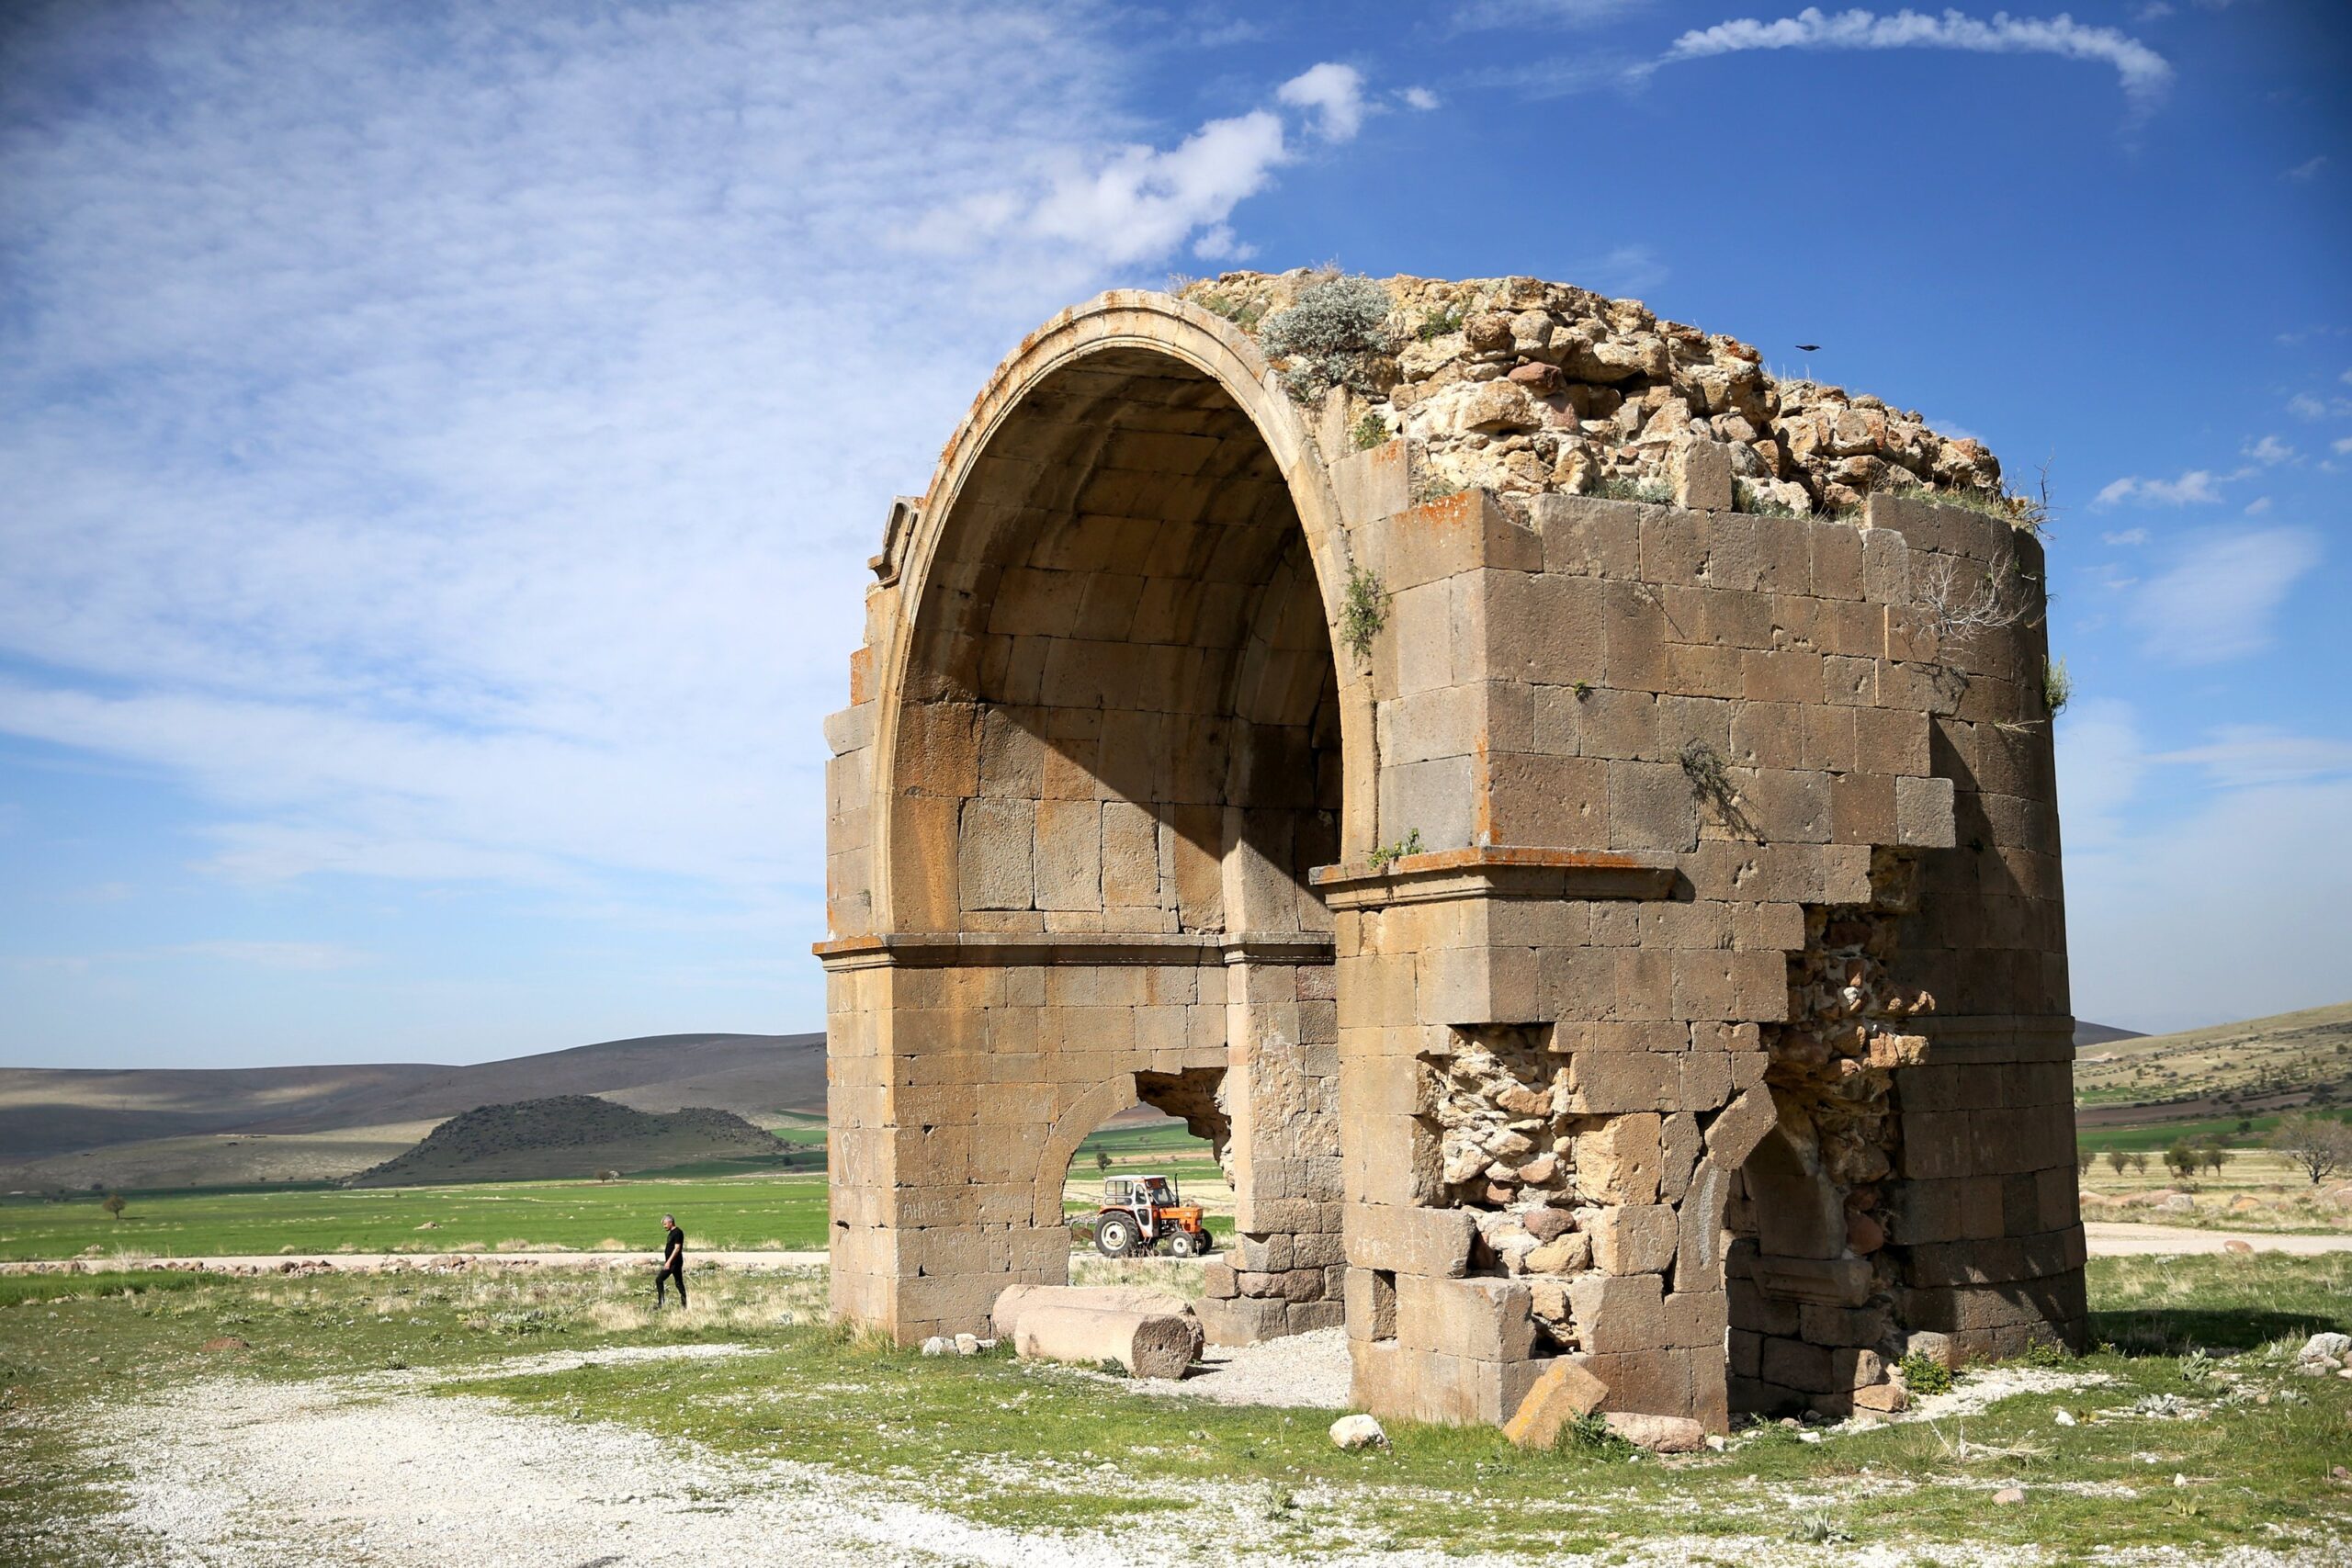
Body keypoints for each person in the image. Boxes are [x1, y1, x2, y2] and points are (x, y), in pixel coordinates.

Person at [653, 1213, 686, 1308]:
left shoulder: (678, 1232)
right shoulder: (672, 1233)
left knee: (659, 1279)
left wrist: (668, 1262)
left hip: (674, 1263)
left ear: (670, 1222)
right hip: (672, 1262)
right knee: (678, 1282)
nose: (664, 1226)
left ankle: (661, 1303)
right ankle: (684, 1305)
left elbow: (677, 1248)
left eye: (665, 1224)